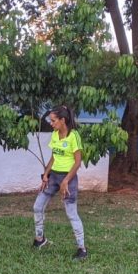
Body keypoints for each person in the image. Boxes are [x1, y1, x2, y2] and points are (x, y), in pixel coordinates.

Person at [32, 106, 88, 260]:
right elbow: (54, 157)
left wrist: (66, 181)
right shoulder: (55, 134)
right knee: (37, 206)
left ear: (63, 120)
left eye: (53, 120)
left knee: (71, 214)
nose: (51, 123)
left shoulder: (73, 136)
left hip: (68, 178)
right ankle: (39, 240)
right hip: (53, 177)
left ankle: (82, 249)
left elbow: (77, 163)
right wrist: (46, 174)